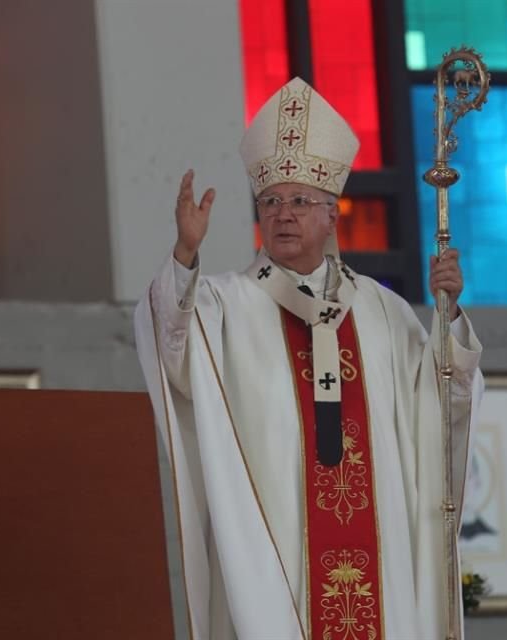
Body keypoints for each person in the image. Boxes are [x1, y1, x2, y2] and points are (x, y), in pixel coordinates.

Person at [134, 77, 484, 640]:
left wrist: (450, 320)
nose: (284, 214)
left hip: (376, 542)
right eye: (271, 202)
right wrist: (184, 254)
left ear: (331, 215)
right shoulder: (224, 304)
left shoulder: (381, 311)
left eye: (300, 202)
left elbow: (441, 406)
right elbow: (172, 349)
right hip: (277, 538)